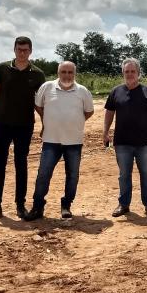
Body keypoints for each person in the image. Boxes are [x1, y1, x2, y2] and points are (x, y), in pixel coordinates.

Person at [0, 36, 46, 220]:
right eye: (19, 49)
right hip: (2, 123)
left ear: (31, 51)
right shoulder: (1, 69)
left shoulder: (37, 74)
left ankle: (20, 206)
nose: (22, 53)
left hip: (25, 125)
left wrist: (45, 123)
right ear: (14, 49)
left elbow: (40, 102)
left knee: (21, 164)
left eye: (25, 50)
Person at [26, 61, 94, 220]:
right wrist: (47, 121)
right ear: (58, 72)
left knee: (72, 175)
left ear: (75, 74)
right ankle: (37, 207)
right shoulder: (47, 87)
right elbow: (38, 106)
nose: (67, 75)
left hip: (74, 142)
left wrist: (73, 123)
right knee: (43, 174)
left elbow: (89, 112)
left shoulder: (82, 91)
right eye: (64, 72)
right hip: (51, 140)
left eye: (70, 72)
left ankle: (66, 205)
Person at [103, 57, 147, 217]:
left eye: (132, 71)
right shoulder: (116, 91)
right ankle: (124, 205)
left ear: (138, 73)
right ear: (123, 73)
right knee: (124, 175)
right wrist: (105, 132)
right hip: (122, 142)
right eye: (126, 71)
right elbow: (109, 113)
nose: (130, 74)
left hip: (144, 142)